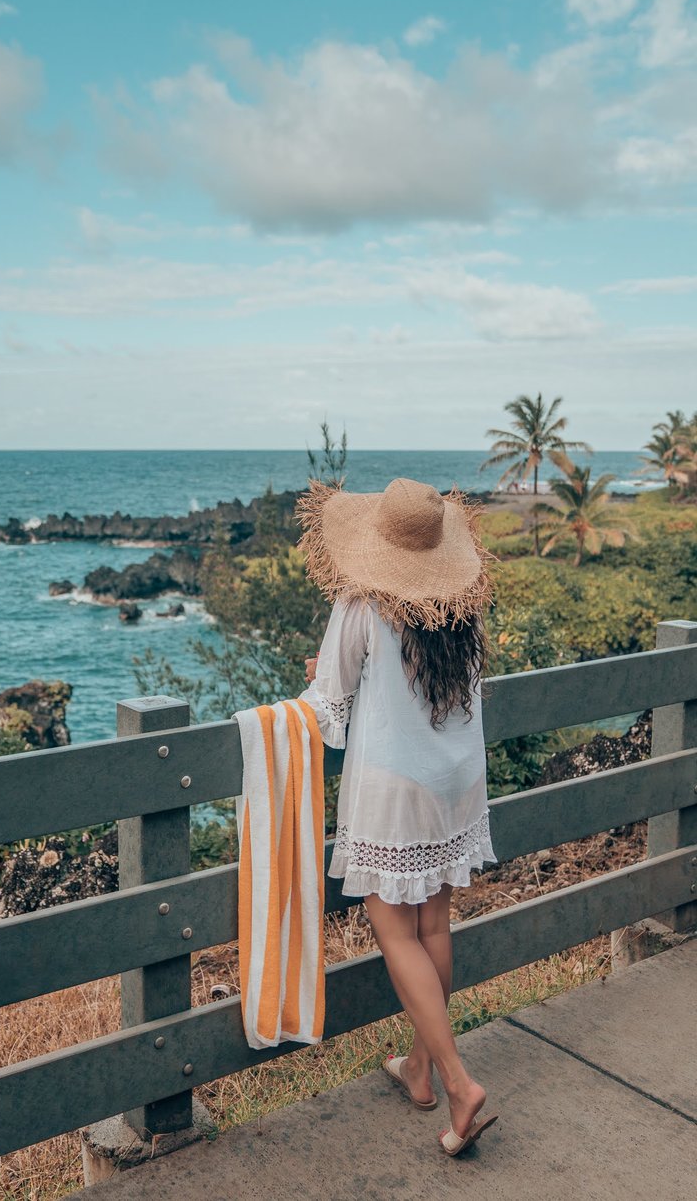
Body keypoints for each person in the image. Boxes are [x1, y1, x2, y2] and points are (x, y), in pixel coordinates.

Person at [297, 476, 499, 1157]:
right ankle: (418, 1070)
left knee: (391, 924)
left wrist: (321, 672)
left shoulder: (362, 601)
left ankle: (457, 1081)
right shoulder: (463, 605)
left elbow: (328, 708)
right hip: (457, 778)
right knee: (433, 922)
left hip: (397, 782)